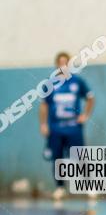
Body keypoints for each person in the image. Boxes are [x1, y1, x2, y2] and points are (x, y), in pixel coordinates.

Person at [39, 52, 95, 200]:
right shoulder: (50, 84)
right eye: (61, 62)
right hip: (56, 128)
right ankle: (60, 188)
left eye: (66, 62)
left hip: (73, 128)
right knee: (57, 158)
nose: (63, 65)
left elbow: (90, 98)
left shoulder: (77, 82)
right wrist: (43, 124)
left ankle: (89, 186)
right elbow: (44, 105)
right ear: (56, 65)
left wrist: (85, 115)